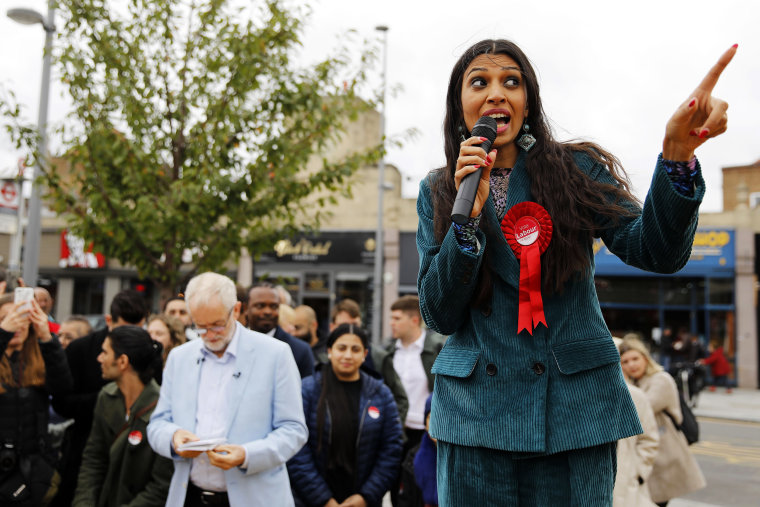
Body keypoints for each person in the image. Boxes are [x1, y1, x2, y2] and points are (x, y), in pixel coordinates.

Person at [416, 38, 734, 505]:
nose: (497, 93)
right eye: (479, 82)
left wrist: (676, 157)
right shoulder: (440, 190)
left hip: (573, 416)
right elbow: (438, 315)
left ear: (529, 102)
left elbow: (657, 252)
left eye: (512, 82)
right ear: (458, 105)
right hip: (474, 419)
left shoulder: (575, 170)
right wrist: (466, 224)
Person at [147, 272, 307, 506]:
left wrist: (247, 455)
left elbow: (294, 430)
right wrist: (174, 438)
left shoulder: (275, 354)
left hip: (254, 498)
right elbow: (157, 424)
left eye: (217, 325)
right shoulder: (179, 358)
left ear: (236, 310)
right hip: (191, 495)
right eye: (200, 327)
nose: (210, 335)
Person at [51, 289, 149, 507]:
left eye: (137, 329)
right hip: (84, 451)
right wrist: (107, 401)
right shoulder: (81, 349)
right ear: (108, 321)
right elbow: (61, 402)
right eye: (123, 329)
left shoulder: (147, 351)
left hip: (133, 460)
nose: (129, 337)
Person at [287, 324, 403, 507]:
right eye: (342, 348)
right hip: (311, 500)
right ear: (329, 351)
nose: (348, 355)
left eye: (355, 349)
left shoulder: (381, 394)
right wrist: (323, 499)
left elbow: (391, 450)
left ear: (365, 354)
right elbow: (296, 448)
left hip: (362, 500)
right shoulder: (307, 390)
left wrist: (365, 497)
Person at [73, 326, 172, 506]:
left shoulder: (163, 409)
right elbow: (93, 460)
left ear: (123, 361)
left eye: (104, 352)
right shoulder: (106, 397)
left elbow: (161, 486)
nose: (99, 358)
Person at [0, 294, 72, 506]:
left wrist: (48, 339)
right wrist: (2, 334)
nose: (17, 324)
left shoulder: (38, 358)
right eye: (7, 318)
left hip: (33, 471)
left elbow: (63, 389)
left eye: (23, 317)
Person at [618, 338, 705, 505]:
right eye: (625, 362)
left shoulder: (660, 380)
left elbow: (638, 411)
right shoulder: (635, 383)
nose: (631, 365)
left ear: (645, 358)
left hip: (666, 456)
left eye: (635, 359)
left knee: (656, 501)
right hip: (652, 457)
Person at [247, 283, 314, 379]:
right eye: (260, 306)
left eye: (274, 306)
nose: (268, 312)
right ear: (246, 308)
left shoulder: (300, 350)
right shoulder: (232, 344)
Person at [612, 383, 659, 507]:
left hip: (626, 482)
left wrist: (639, 473)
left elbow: (649, 439)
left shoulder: (635, 395)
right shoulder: (579, 393)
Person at [398, 394, 438, 507]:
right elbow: (404, 500)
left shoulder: (465, 459)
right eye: (431, 418)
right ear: (425, 423)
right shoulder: (412, 458)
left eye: (443, 418)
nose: (436, 424)